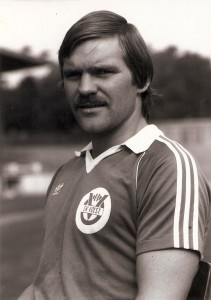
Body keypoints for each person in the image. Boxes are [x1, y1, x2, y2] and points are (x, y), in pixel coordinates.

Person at [18, 10, 210, 300]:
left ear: (142, 79)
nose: (84, 88)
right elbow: (44, 289)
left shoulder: (165, 167)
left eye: (102, 72)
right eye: (73, 75)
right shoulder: (67, 172)